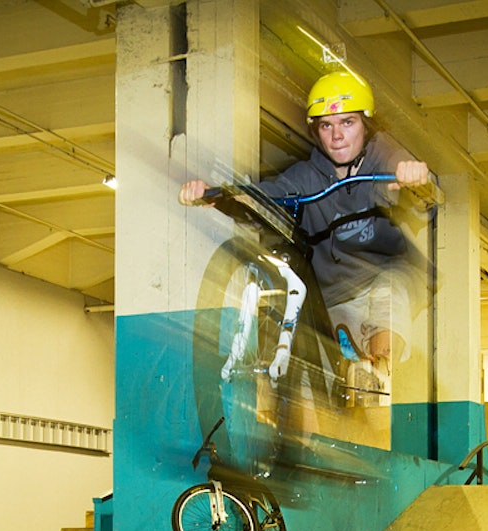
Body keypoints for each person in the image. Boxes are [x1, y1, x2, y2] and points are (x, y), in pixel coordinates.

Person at [179, 70, 431, 374]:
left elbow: (416, 188)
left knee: (389, 293)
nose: (336, 136)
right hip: (334, 296)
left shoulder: (384, 158)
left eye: (347, 122)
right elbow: (264, 199)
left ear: (366, 126)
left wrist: (413, 176)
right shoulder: (306, 176)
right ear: (316, 131)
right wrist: (216, 196)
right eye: (326, 125)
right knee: (316, 347)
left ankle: (381, 373)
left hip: (383, 280)